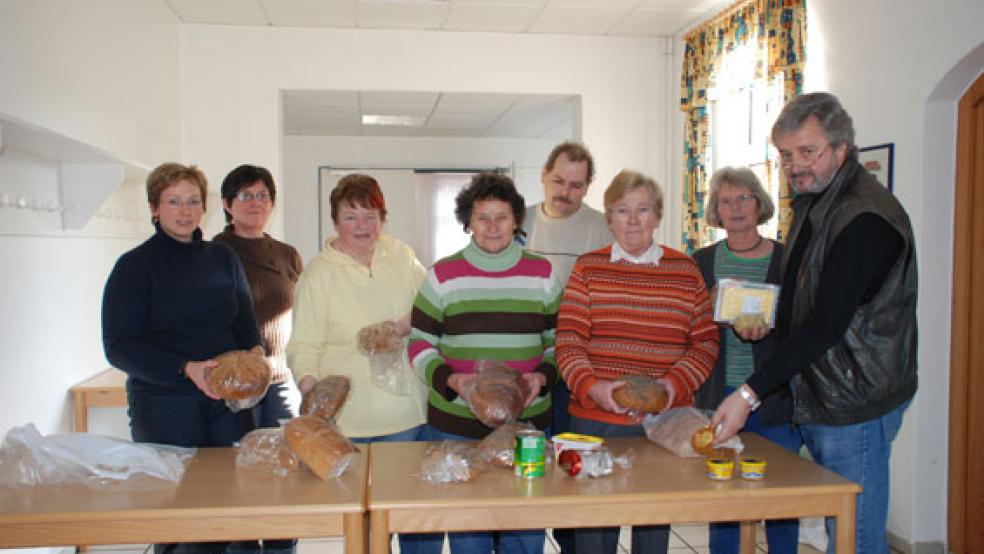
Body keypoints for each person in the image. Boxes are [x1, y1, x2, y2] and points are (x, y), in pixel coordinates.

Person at [711, 92, 918, 554]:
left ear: (841, 150)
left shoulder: (865, 218)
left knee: (854, 535)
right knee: (836, 524)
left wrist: (748, 393)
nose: (794, 165)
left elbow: (827, 323)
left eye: (807, 152)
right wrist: (770, 324)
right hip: (821, 390)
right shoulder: (813, 201)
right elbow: (803, 296)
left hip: (855, 399)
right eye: (786, 155)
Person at [102, 162, 263, 554]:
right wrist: (185, 368)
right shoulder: (134, 266)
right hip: (165, 407)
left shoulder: (223, 258)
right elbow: (119, 345)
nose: (185, 210)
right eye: (173, 201)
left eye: (193, 201)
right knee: (181, 519)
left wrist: (255, 355)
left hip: (228, 406)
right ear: (155, 207)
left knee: (236, 511)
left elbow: (245, 324)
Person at [556, 170, 719, 554]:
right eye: (622, 210)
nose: (632, 221)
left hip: (663, 424)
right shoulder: (587, 269)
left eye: (642, 209)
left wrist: (671, 386)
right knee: (593, 533)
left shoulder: (685, 271)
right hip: (595, 419)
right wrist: (593, 387)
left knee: (652, 528)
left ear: (658, 216)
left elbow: (705, 343)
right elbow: (568, 341)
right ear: (608, 218)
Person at [409, 172, 561, 554]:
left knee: (523, 528)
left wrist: (541, 379)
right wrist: (454, 382)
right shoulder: (442, 275)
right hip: (457, 424)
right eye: (483, 217)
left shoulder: (542, 274)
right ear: (468, 222)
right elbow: (419, 344)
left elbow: (560, 342)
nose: (493, 227)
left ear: (516, 221)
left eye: (502, 217)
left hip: (526, 426)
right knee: (468, 531)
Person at [285, 173, 437, 554]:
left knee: (417, 521)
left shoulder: (401, 256)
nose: (361, 227)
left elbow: (431, 308)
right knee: (366, 528)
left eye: (370, 216)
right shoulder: (319, 274)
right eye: (350, 216)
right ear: (335, 221)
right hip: (350, 422)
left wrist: (403, 325)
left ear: (382, 218)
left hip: (407, 415)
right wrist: (313, 393)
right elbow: (303, 344)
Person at [692, 167, 802, 554]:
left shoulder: (788, 259)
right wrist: (706, 309)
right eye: (726, 200)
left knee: (780, 495)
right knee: (723, 494)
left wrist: (773, 328)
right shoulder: (701, 261)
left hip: (772, 395)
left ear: (760, 204)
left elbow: (802, 325)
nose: (736, 208)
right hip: (718, 393)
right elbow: (687, 328)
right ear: (715, 210)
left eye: (744, 198)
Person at [520, 141, 612, 554]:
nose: (564, 192)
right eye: (558, 180)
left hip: (579, 367)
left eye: (576, 185)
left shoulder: (602, 228)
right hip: (527, 362)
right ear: (543, 174)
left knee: (573, 461)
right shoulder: (517, 222)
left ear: (588, 187)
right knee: (528, 459)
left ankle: (571, 542)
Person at [213, 164, 303, 554]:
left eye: (263, 195)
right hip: (234, 384)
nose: (255, 202)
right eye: (245, 195)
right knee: (239, 479)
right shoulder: (214, 252)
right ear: (227, 204)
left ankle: (283, 549)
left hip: (280, 382)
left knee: (285, 476)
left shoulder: (286, 254)